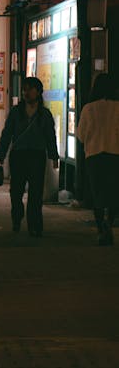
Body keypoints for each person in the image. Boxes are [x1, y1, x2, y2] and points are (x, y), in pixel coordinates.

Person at [0, 76, 59, 237]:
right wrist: (1, 154)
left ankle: (35, 225)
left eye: (30, 89)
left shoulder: (44, 114)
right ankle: (17, 217)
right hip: (19, 155)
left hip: (37, 156)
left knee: (36, 193)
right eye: (24, 89)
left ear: (38, 92)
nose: (26, 92)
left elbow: (50, 136)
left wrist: (54, 156)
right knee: (16, 191)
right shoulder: (16, 112)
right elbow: (7, 133)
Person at [76, 73, 119, 246]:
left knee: (97, 192)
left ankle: (101, 228)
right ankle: (109, 222)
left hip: (94, 156)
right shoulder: (118, 107)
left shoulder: (89, 108)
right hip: (115, 154)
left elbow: (80, 135)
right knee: (113, 192)